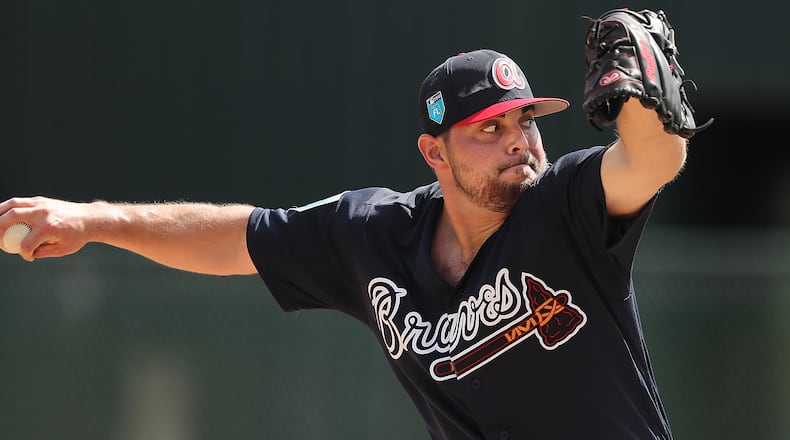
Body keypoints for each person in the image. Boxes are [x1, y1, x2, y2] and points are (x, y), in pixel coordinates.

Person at [1, 45, 684, 438]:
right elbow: (234, 238)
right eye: (489, 128)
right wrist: (92, 220)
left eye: (525, 122)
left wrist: (644, 106)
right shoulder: (373, 236)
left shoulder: (567, 207)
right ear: (434, 153)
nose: (518, 142)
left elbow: (651, 163)